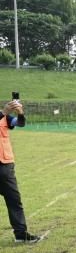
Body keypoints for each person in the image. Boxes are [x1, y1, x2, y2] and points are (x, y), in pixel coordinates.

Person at [0, 99, 40, 243]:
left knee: (14, 200)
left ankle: (21, 234)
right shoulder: (2, 114)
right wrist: (3, 112)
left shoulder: (4, 117)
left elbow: (20, 123)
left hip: (5, 166)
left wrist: (20, 113)